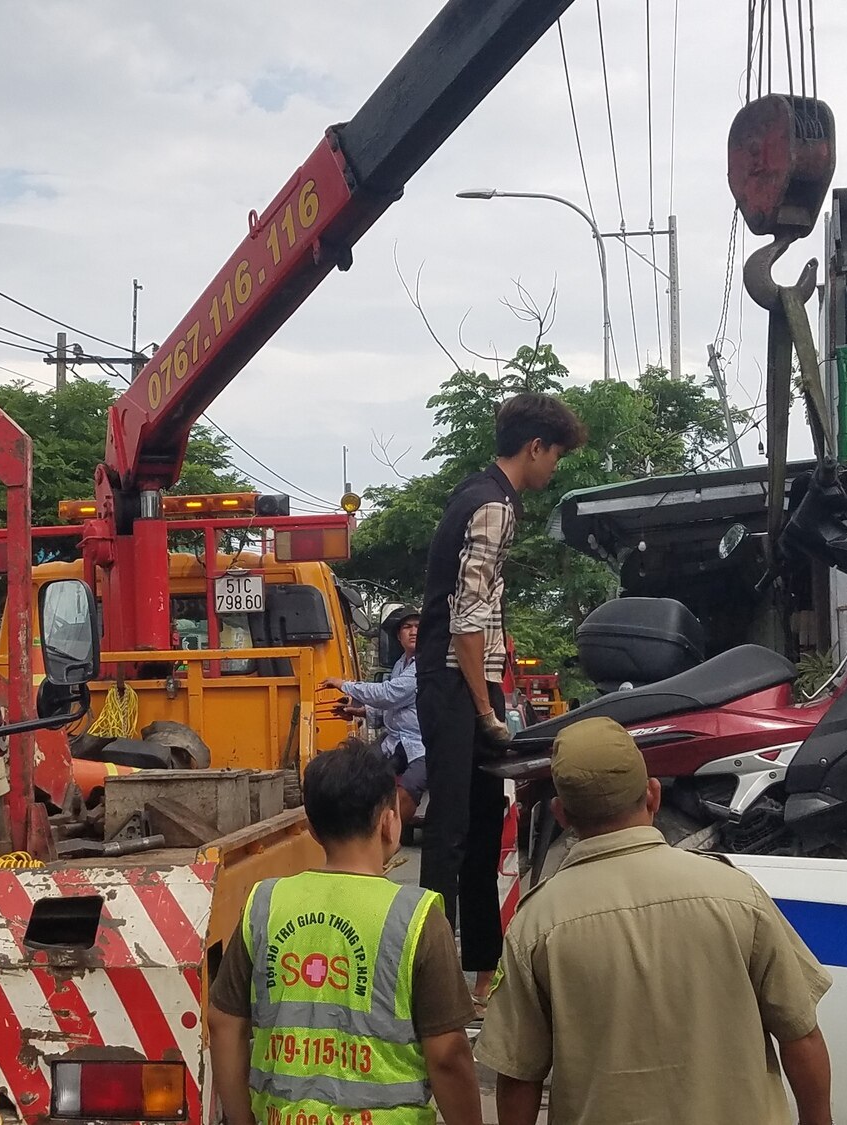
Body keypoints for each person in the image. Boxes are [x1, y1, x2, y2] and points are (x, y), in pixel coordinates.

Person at [474, 717, 834, 1125]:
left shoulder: (537, 924)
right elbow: (800, 1033)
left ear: (561, 813)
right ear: (653, 795)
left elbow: (519, 1074)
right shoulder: (736, 894)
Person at [207, 744, 483, 1125]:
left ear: (314, 829)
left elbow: (223, 1024)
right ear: (389, 821)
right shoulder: (416, 917)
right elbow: (448, 1054)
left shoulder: (264, 905)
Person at [416, 391, 586, 1007]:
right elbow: (467, 617)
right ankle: (429, 981)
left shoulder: (480, 494)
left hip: (469, 680)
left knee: (486, 826)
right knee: (453, 829)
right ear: (534, 447)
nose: (554, 469)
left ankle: (483, 972)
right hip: (454, 681)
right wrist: (486, 709)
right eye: (556, 457)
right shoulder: (491, 506)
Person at [324, 606, 425, 821]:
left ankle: (391, 841)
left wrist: (345, 685)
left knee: (405, 792)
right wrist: (361, 711)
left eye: (418, 626)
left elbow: (388, 695)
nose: (413, 631)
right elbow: (396, 708)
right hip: (396, 740)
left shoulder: (424, 665)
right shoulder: (400, 664)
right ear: (398, 636)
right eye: (407, 627)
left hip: (423, 744)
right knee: (357, 770)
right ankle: (359, 829)